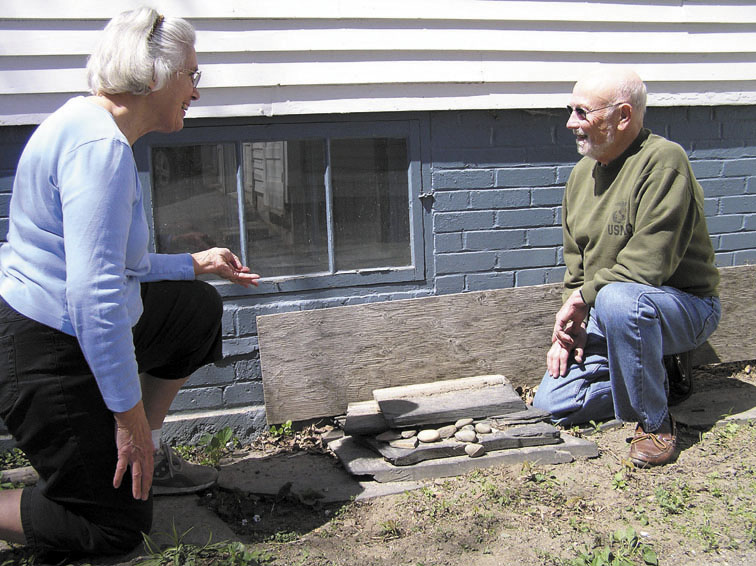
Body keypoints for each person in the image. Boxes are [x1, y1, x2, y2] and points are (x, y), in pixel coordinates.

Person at [0, 7, 260, 558]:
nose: (196, 89)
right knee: (113, 530)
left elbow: (119, 267)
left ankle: (142, 458)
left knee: (194, 308)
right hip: (45, 346)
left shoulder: (86, 122)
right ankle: (112, 463)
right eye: (192, 74)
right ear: (154, 75)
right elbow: (94, 299)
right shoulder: (101, 151)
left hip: (64, 323)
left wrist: (195, 264)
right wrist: (129, 417)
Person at [532, 67, 721, 468]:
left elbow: (648, 264)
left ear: (622, 116)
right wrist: (571, 324)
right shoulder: (580, 177)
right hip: (610, 312)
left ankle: (654, 423)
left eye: (583, 112)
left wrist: (583, 300)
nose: (571, 123)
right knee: (552, 404)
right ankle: (656, 377)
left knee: (619, 298)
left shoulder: (664, 162)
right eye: (571, 110)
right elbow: (577, 269)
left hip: (682, 307)